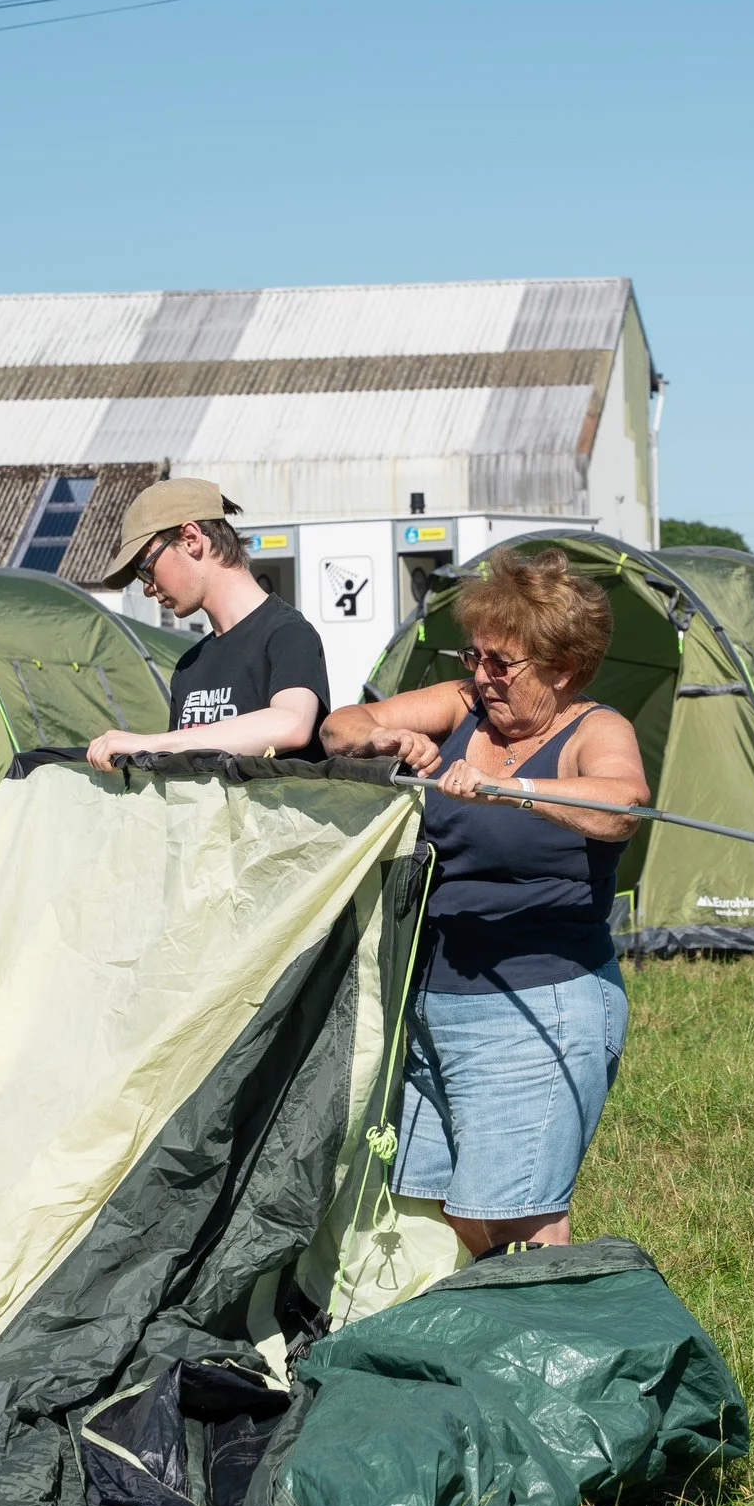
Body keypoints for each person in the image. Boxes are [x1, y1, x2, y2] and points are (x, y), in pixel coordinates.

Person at [320, 547, 649, 1256]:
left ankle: (553, 1325)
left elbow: (623, 805)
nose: (482, 675)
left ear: (562, 668)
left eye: (502, 663)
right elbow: (337, 725)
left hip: (540, 1001)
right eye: (474, 656)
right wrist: (384, 736)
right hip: (431, 999)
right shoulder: (465, 704)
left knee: (525, 1221)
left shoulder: (595, 729)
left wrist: (513, 790)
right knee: (457, 1210)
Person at [85, 479, 330, 766]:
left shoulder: (287, 634)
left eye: (146, 569)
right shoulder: (189, 666)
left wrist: (151, 743)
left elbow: (291, 724)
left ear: (191, 539)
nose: (148, 588)